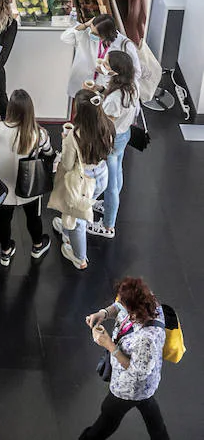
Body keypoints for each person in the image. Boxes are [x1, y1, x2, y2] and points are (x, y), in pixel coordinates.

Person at [81, 277, 172, 440]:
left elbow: (137, 372)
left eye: (124, 304)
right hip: (147, 385)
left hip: (129, 388)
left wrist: (108, 344)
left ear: (134, 310)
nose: (119, 304)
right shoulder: (147, 300)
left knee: (107, 417)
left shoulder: (147, 339)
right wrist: (104, 313)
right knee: (149, 409)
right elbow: (118, 306)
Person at [51, 89, 115, 269]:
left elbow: (68, 163)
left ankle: (79, 257)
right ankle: (65, 230)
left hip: (82, 182)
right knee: (74, 209)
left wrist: (65, 141)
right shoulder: (107, 126)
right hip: (102, 175)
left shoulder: (75, 136)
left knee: (78, 219)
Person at [0, 89, 52, 265]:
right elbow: (49, 153)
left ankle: (5, 251)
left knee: (3, 219)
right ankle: (38, 245)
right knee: (34, 217)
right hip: (29, 185)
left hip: (4, 185)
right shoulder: (39, 134)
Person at [90, 50, 140, 240]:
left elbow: (106, 124)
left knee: (110, 183)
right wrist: (101, 90)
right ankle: (109, 205)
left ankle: (108, 225)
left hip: (112, 139)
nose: (104, 64)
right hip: (124, 134)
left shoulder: (114, 99)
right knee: (117, 171)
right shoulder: (131, 86)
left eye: (107, 64)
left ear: (116, 72)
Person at [61, 13, 140, 100]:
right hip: (84, 83)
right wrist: (85, 25)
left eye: (96, 34)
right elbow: (65, 38)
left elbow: (136, 74)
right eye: (91, 30)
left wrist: (110, 73)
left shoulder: (125, 46)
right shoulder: (86, 33)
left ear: (106, 34)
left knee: (99, 111)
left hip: (105, 90)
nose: (91, 34)